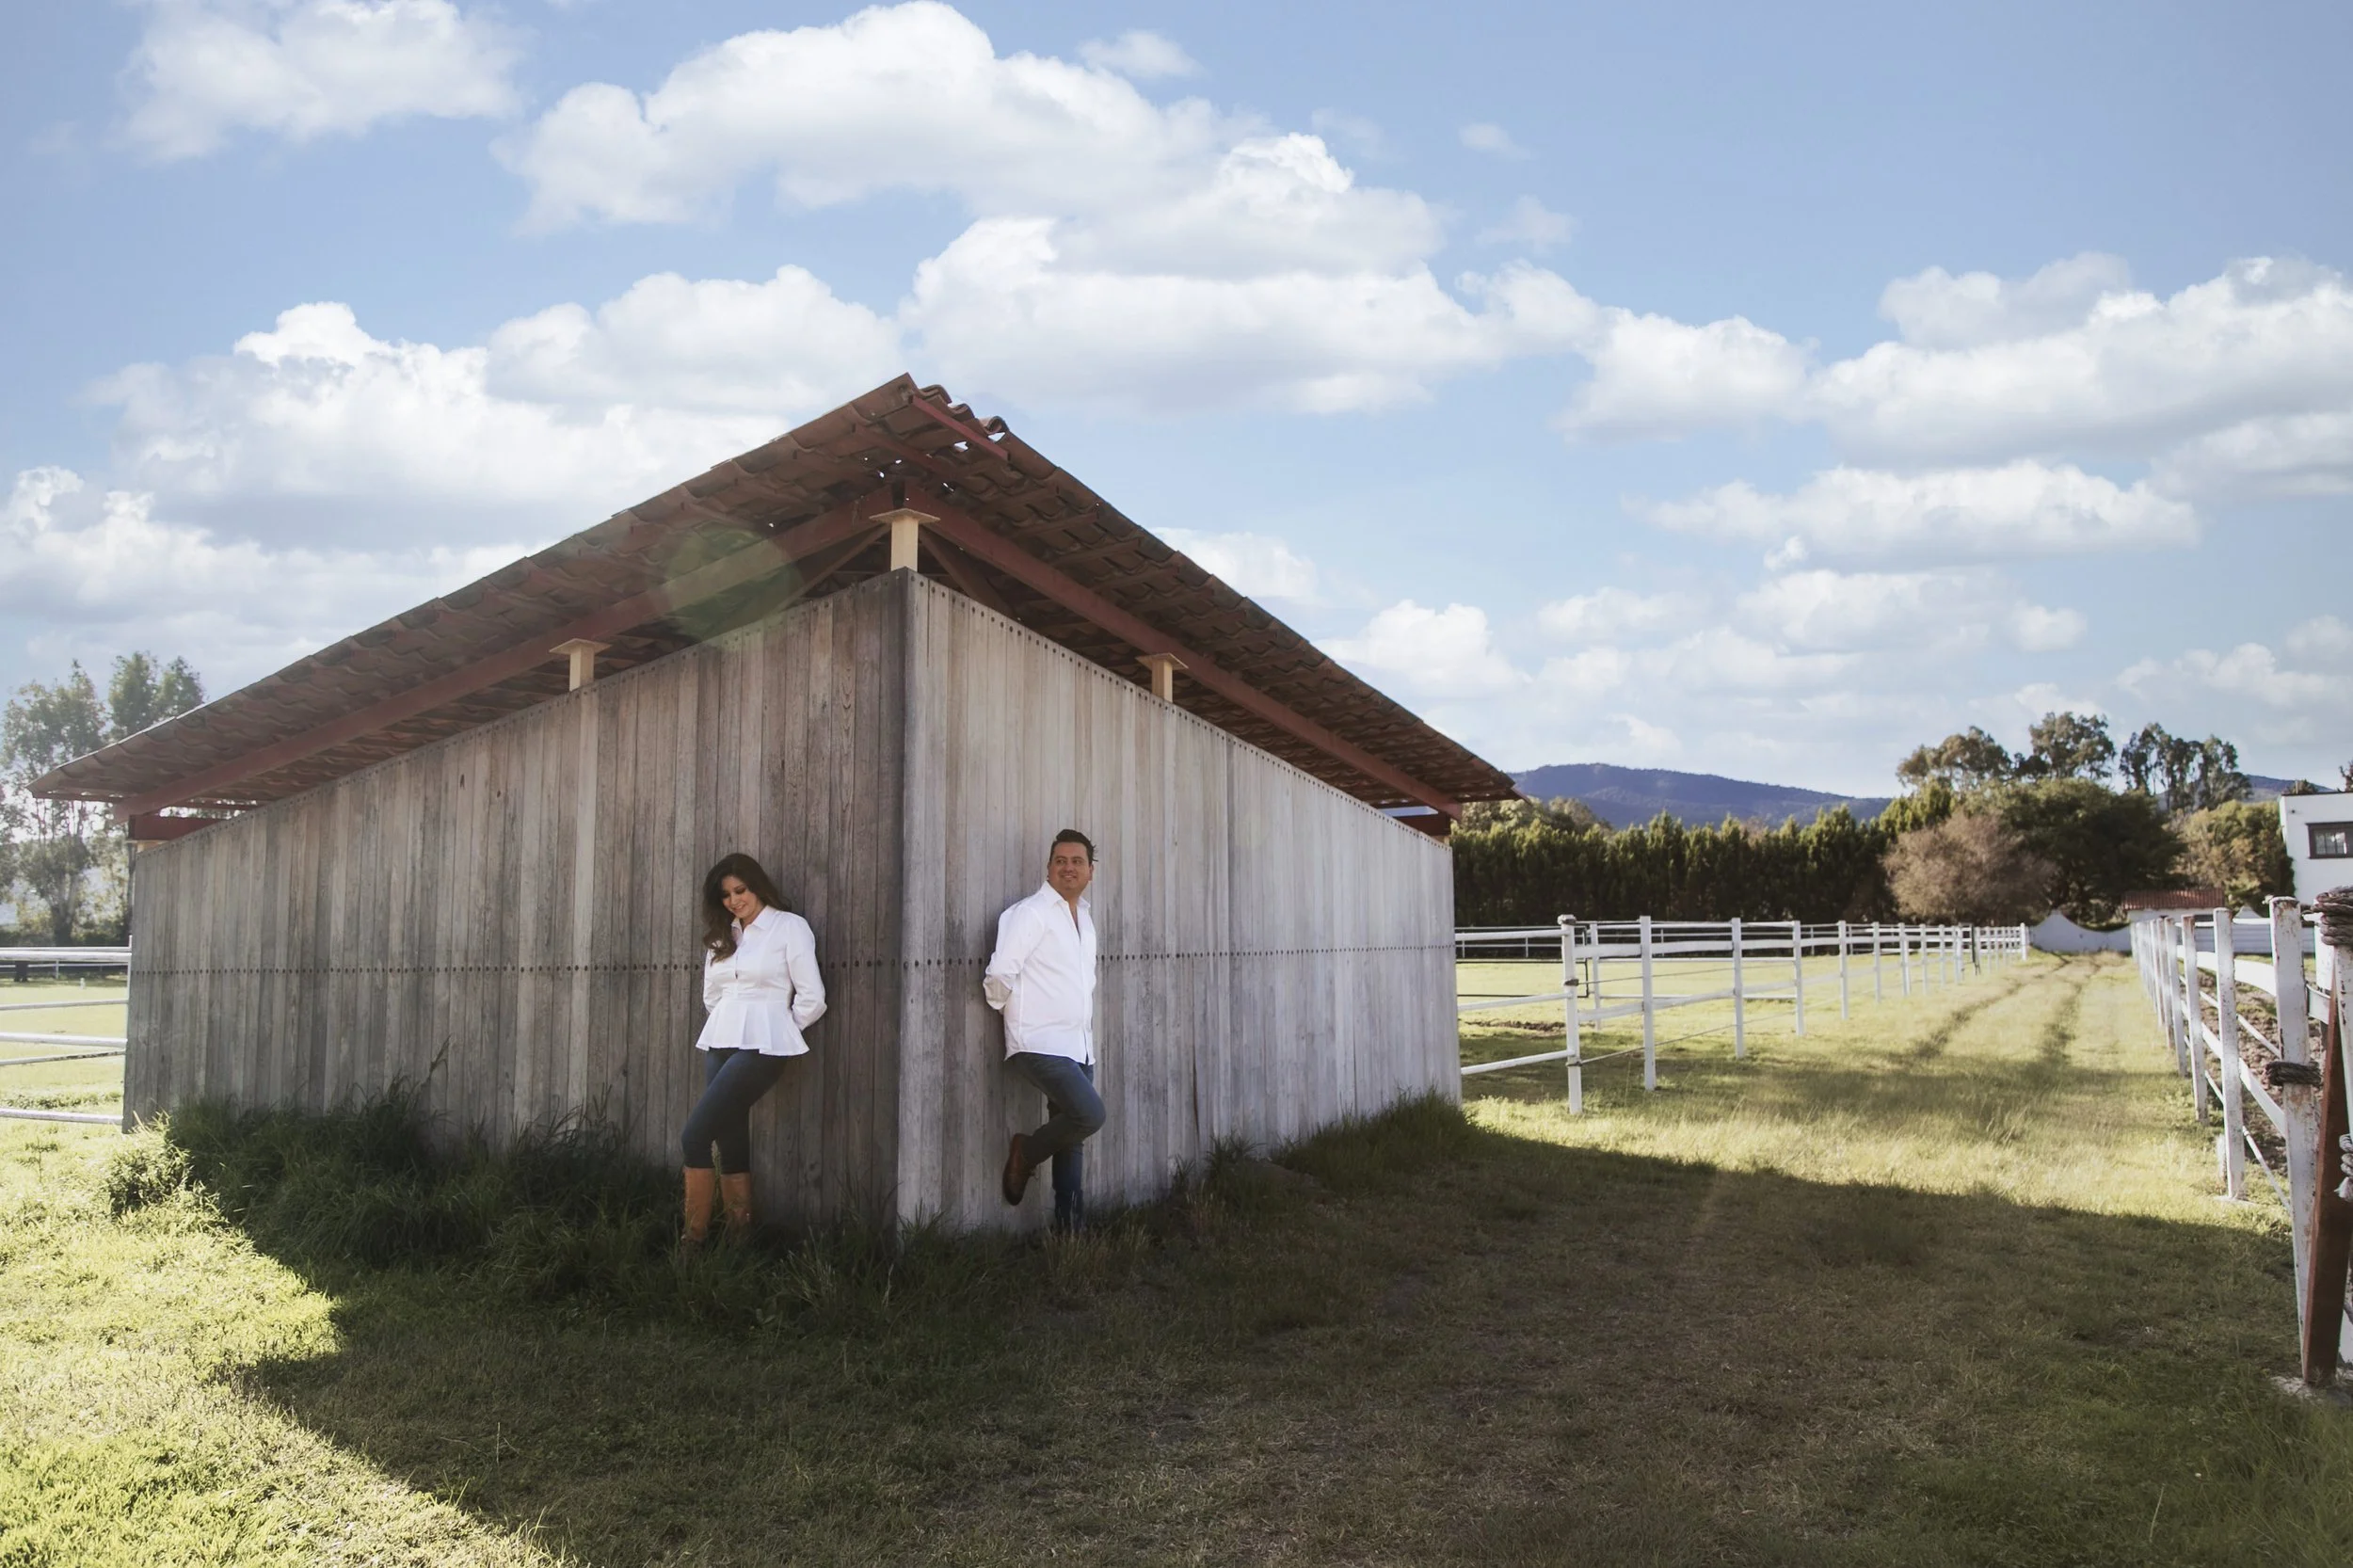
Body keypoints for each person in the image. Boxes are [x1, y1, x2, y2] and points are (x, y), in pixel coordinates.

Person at [680, 853, 824, 1247]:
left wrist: (780, 1031)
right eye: (725, 894)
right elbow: (713, 995)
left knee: (693, 1138)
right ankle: (739, 1239)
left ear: (757, 886)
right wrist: (731, 1018)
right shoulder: (721, 937)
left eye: (740, 890)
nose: (734, 900)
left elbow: (812, 996)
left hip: (764, 1044)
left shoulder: (789, 928)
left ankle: (692, 1243)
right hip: (721, 1039)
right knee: (730, 1141)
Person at [985, 828, 1107, 1231]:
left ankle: (1071, 1230)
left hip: (1078, 1045)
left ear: (1091, 871)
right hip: (1039, 1043)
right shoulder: (1030, 913)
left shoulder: (1084, 921)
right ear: (1049, 868)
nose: (1068, 867)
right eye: (1060, 861)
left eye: (1076, 862)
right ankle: (1025, 1152)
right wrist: (1016, 1019)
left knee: (1071, 1140)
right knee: (1089, 1115)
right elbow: (1000, 973)